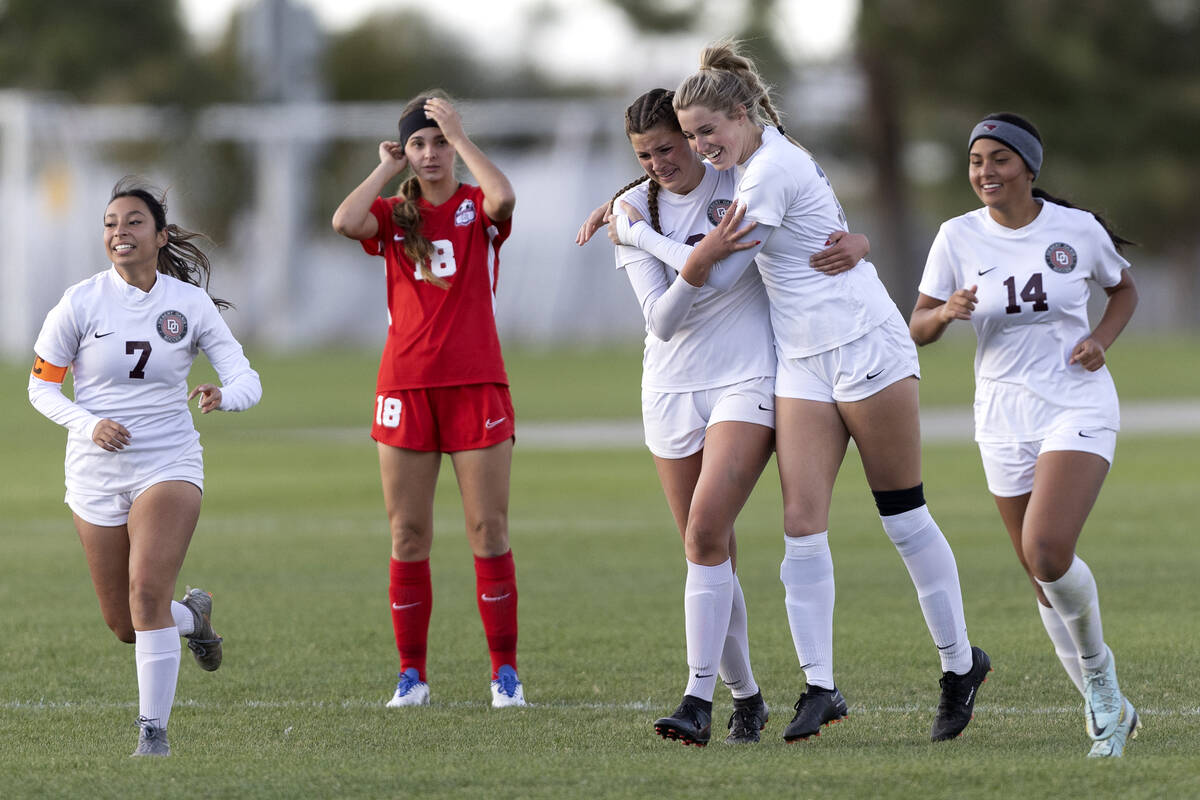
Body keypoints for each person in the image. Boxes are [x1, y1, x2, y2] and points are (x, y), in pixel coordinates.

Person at [610, 40, 991, 743]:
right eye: (690, 135)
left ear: (745, 112)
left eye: (706, 132)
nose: (699, 146)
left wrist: (639, 236)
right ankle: (820, 688)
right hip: (800, 360)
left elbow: (717, 276)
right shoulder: (759, 157)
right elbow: (683, 208)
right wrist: (631, 214)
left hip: (864, 344)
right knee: (800, 523)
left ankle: (960, 664)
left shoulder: (770, 170)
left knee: (903, 518)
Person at [577, 88, 869, 746]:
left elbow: (786, 232)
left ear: (691, 134)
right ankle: (747, 697)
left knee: (707, 529)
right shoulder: (631, 208)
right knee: (708, 550)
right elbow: (662, 318)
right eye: (645, 155)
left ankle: (695, 699)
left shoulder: (741, 176)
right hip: (670, 389)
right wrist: (675, 248)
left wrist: (859, 237)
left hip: (748, 379)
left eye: (669, 147)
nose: (660, 162)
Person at [910, 112, 1140, 758]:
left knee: (1046, 549)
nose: (985, 171)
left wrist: (1100, 338)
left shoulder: (1076, 231)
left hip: (1076, 403)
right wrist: (945, 314)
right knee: (1041, 578)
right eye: (977, 161)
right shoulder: (956, 236)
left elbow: (1123, 290)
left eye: (999, 160)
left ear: (1028, 168)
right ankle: (1112, 712)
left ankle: (1100, 683)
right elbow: (916, 327)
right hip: (1002, 419)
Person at [27, 177, 262, 757]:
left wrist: (223, 396)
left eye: (133, 222)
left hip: (168, 462)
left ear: (159, 236)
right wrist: (89, 424)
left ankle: (152, 736)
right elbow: (40, 389)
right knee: (126, 623)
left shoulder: (188, 304)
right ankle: (195, 619)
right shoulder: (79, 302)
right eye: (110, 224)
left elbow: (246, 377)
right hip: (94, 472)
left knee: (146, 592)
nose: (119, 232)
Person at [332, 91, 526, 709]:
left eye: (439, 141)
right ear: (406, 150)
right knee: (408, 533)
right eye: (420, 142)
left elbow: (505, 198)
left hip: (476, 385)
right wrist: (386, 167)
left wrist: (462, 136)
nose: (432, 153)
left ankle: (504, 675)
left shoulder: (475, 205)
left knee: (486, 529)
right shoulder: (393, 214)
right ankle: (411, 675)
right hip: (406, 389)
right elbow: (343, 221)